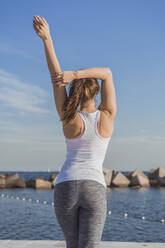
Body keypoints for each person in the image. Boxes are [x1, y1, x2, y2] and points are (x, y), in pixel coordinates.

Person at [33, 15, 117, 248]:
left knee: (72, 245)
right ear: (96, 93)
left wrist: (47, 39)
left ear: (76, 95)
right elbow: (108, 73)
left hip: (66, 185)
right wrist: (77, 74)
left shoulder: (69, 117)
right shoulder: (107, 116)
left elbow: (55, 80)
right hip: (94, 187)